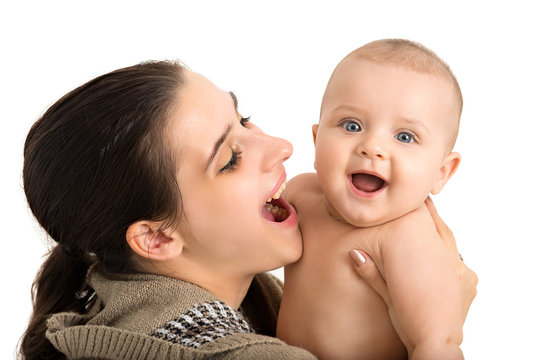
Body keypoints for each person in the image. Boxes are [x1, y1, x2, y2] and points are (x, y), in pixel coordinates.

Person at [19, 60, 476, 360]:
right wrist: (438, 324)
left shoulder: (116, 304)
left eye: (243, 119)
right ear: (157, 238)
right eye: (230, 158)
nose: (281, 146)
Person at [277, 39, 471, 360]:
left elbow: (439, 343)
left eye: (404, 136)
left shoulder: (407, 238)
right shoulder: (300, 194)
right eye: (351, 125)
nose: (372, 147)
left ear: (441, 172)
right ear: (316, 141)